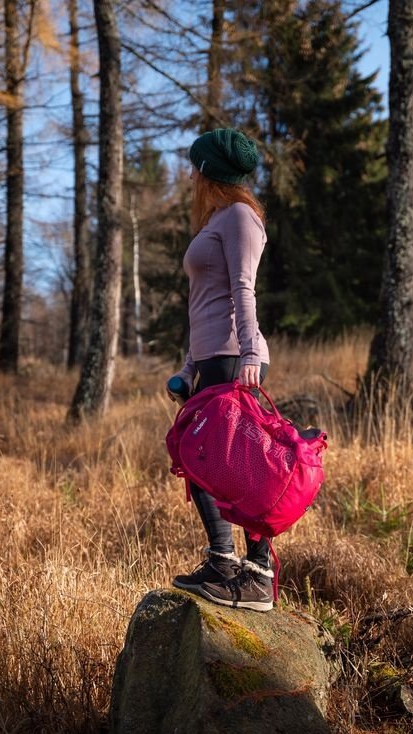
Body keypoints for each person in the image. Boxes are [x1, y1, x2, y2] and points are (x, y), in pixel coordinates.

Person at [167, 128, 273, 612]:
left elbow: (242, 290)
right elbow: (204, 303)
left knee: (234, 466)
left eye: (195, 166)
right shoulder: (220, 219)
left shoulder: (240, 218)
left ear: (208, 171)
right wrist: (189, 366)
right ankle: (229, 565)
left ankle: (250, 572)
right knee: (205, 461)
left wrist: (250, 355)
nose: (190, 174)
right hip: (213, 359)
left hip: (234, 358)